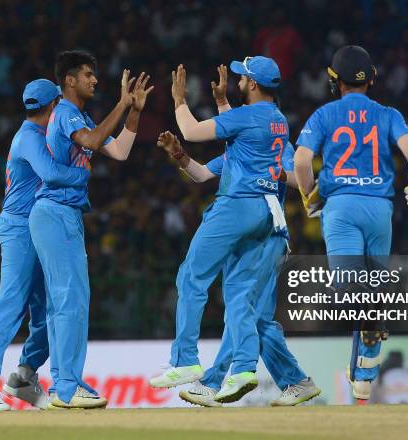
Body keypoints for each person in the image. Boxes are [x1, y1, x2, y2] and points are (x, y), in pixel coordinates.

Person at [294, 45, 408, 400]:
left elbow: (301, 162)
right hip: (379, 210)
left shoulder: (324, 115)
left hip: (341, 207)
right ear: (371, 78)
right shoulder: (388, 113)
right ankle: (364, 377)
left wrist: (310, 196)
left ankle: (370, 332)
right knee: (372, 291)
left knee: (347, 288)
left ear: (333, 81)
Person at [149, 56, 290, 404]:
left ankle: (185, 361)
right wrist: (179, 155)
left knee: (192, 275)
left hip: (236, 205)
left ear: (254, 85)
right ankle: (243, 369)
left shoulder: (248, 117)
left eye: (243, 78)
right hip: (265, 210)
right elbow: (200, 173)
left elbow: (193, 130)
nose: (238, 82)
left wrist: (179, 100)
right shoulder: (277, 120)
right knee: (239, 293)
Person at [29, 50, 153, 409]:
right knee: (72, 300)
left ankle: (61, 386)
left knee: (62, 303)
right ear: (69, 80)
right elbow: (96, 141)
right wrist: (120, 102)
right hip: (57, 213)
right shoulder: (66, 112)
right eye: (87, 75)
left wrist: (134, 111)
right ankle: (68, 387)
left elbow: (120, 152)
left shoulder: (77, 115)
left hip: (59, 214)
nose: (94, 80)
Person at [0, 79, 91, 411]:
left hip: (38, 224)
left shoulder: (39, 134)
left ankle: (23, 376)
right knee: (13, 300)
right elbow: (51, 173)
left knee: (50, 309)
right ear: (53, 106)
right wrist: (84, 174)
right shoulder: (29, 137)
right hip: (20, 227)